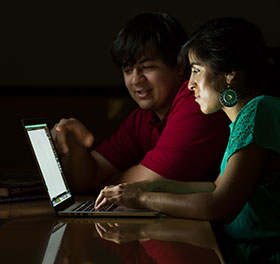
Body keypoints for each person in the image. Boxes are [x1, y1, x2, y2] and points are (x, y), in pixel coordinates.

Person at [94, 17, 280, 264]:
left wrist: (141, 199)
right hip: (244, 256)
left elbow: (219, 205)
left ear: (229, 73)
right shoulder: (243, 119)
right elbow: (215, 187)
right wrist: (150, 186)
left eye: (196, 70)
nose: (190, 83)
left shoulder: (259, 112)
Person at [51, 12, 229, 193]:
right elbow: (88, 179)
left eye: (147, 67)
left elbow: (146, 185)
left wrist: (109, 181)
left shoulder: (197, 103)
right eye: (128, 70)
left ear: (180, 65)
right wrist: (73, 147)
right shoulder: (142, 118)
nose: (136, 80)